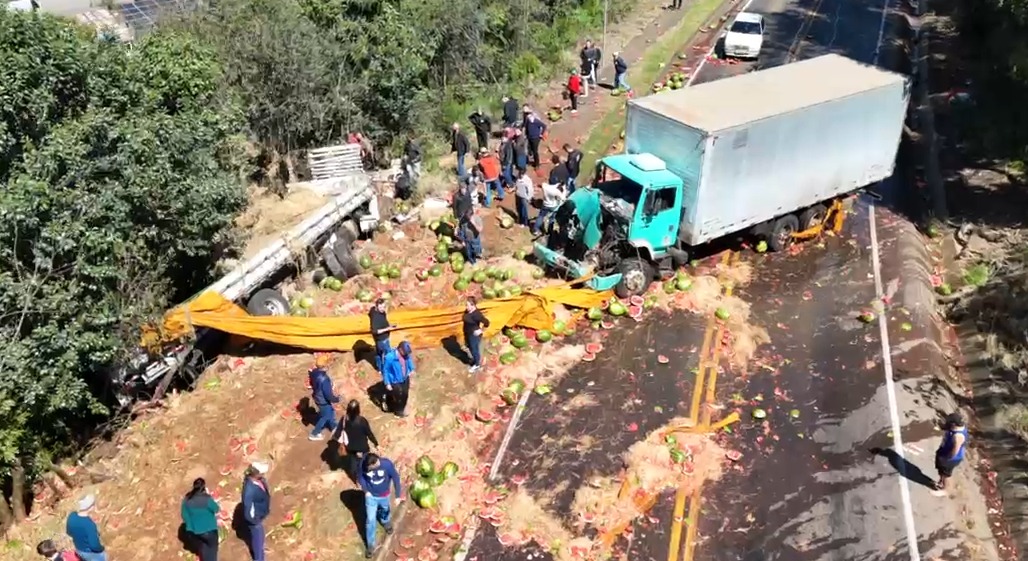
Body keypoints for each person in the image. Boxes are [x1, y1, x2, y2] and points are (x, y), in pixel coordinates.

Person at [358, 453, 403, 559]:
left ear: (377, 462)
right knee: (370, 520)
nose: (369, 470)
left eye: (371, 468)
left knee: (385, 509)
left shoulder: (386, 464)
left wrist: (397, 495)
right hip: (371, 497)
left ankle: (385, 521)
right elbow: (360, 478)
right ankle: (370, 545)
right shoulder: (362, 465)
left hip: (384, 495)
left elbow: (395, 477)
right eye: (368, 469)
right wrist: (366, 490)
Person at [338, 400, 380, 484]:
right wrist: (376, 443)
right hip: (362, 448)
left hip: (349, 447)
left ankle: (357, 479)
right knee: (364, 463)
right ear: (358, 410)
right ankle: (365, 478)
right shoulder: (362, 421)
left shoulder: (344, 420)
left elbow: (340, 431)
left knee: (354, 463)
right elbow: (369, 434)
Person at [181, 478, 220, 561]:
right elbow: (216, 509)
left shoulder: (187, 499)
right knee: (212, 551)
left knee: (204, 549)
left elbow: (184, 515)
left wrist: (190, 526)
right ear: (203, 487)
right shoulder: (206, 499)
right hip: (210, 530)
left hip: (196, 532)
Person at [241, 462, 271, 561]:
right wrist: (254, 521)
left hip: (260, 514)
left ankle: (261, 553)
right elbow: (248, 509)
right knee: (258, 542)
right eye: (262, 473)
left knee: (260, 538)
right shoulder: (249, 490)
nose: (263, 475)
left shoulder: (259, 481)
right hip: (255, 520)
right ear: (256, 474)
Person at [308, 355, 341, 441]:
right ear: (325, 365)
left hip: (317, 397)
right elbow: (328, 395)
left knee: (330, 412)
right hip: (323, 400)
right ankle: (314, 433)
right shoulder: (324, 379)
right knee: (325, 417)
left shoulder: (314, 372)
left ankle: (334, 427)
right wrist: (336, 399)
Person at [934, 412, 968, 492]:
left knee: (945, 474)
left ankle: (944, 488)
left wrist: (947, 458)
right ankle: (940, 482)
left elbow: (955, 450)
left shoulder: (958, 436)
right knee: (941, 470)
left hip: (951, 458)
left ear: (954, 424)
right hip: (944, 450)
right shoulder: (955, 428)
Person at [66, 495, 107, 561]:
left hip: (79, 550)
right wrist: (101, 548)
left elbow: (68, 532)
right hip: (92, 553)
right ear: (90, 507)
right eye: (93, 504)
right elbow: (94, 546)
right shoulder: (89, 524)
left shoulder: (72, 516)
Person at [381, 341, 415, 417]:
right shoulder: (390, 357)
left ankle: (402, 407)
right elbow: (385, 370)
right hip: (395, 381)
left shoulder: (405, 355)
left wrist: (411, 369)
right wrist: (387, 383)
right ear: (400, 349)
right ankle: (398, 412)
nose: (406, 355)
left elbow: (409, 360)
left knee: (405, 394)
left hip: (405, 377)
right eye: (405, 353)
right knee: (398, 396)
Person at [368, 298, 398, 372]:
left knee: (379, 353)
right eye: (381, 307)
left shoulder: (373, 310)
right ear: (377, 307)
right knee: (388, 354)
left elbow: (370, 312)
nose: (383, 309)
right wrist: (388, 329)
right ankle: (388, 369)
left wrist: (389, 325)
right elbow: (375, 331)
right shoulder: (375, 318)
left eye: (384, 307)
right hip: (382, 339)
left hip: (378, 340)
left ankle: (379, 368)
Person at [462, 297, 490, 373]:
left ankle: (477, 364)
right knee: (469, 347)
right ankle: (474, 358)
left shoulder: (477, 315)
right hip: (468, 333)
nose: (466, 307)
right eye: (466, 305)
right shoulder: (468, 311)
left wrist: (480, 330)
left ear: (473, 305)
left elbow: (487, 323)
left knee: (474, 350)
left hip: (474, 336)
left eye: (467, 305)